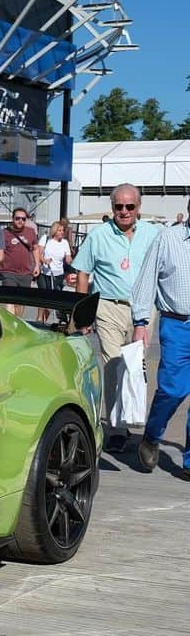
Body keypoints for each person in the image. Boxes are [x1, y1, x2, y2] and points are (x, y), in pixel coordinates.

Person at [71, 184, 159, 453]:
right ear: (112, 208)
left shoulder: (154, 234)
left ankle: (132, 417)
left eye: (129, 206)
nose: (124, 211)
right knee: (113, 364)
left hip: (144, 308)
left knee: (135, 364)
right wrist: (81, 315)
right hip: (108, 306)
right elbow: (83, 273)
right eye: (118, 206)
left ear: (139, 207)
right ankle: (117, 428)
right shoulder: (98, 236)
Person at [132, 202, 190, 480]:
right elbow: (146, 280)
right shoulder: (168, 238)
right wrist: (140, 322)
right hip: (177, 324)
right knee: (172, 390)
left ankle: (189, 462)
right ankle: (152, 436)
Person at [0, 207, 41, 316]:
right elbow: (0, 250)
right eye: (17, 218)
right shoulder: (5, 232)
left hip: (26, 272)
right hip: (9, 271)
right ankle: (11, 323)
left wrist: (37, 265)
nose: (20, 221)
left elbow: (35, 248)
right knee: (10, 300)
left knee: (21, 302)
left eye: (23, 219)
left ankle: (18, 322)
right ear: (13, 219)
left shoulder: (31, 232)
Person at [36, 219, 73, 324]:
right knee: (44, 296)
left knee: (52, 299)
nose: (62, 232)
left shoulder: (65, 243)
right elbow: (38, 254)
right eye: (59, 230)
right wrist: (44, 260)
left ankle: (44, 320)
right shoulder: (46, 239)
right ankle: (39, 319)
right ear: (54, 231)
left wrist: (73, 262)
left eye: (63, 230)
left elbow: (68, 258)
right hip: (45, 272)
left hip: (58, 274)